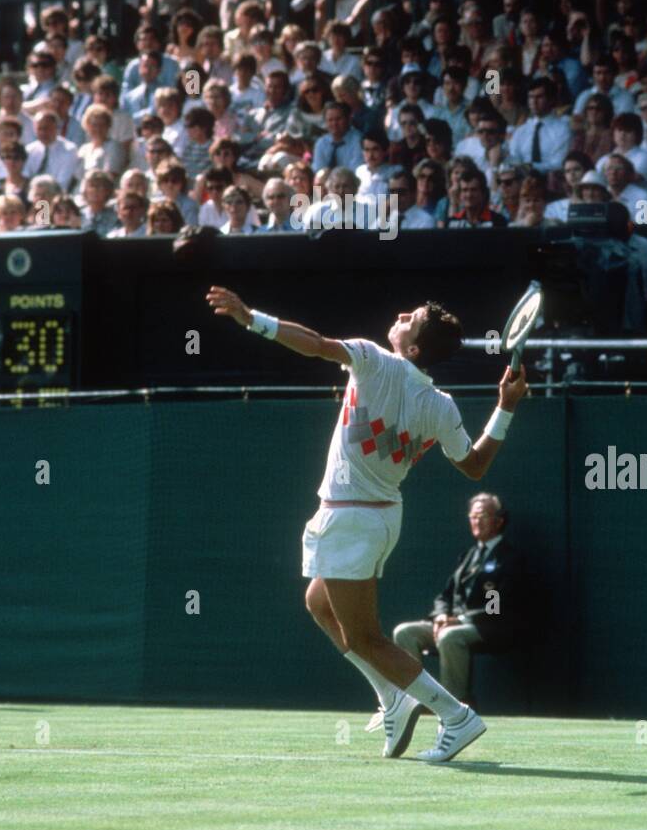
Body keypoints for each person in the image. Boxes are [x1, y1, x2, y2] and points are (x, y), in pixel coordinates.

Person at [206, 286, 530, 763]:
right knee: (318, 602)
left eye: (411, 317)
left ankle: (456, 717)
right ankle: (392, 697)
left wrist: (251, 317)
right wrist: (506, 406)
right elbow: (476, 464)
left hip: (351, 517)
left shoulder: (373, 358)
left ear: (413, 346)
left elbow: (313, 343)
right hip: (376, 518)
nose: (400, 313)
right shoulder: (442, 405)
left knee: (366, 637)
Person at [387, 493, 524, 708]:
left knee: (450, 635)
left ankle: (453, 706)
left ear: (499, 520)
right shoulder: (468, 555)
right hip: (453, 622)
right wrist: (441, 615)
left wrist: (458, 619)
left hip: (490, 627)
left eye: (483, 516)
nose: (477, 521)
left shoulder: (509, 558)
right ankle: (416, 701)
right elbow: (445, 596)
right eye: (473, 516)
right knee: (405, 632)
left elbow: (495, 607)